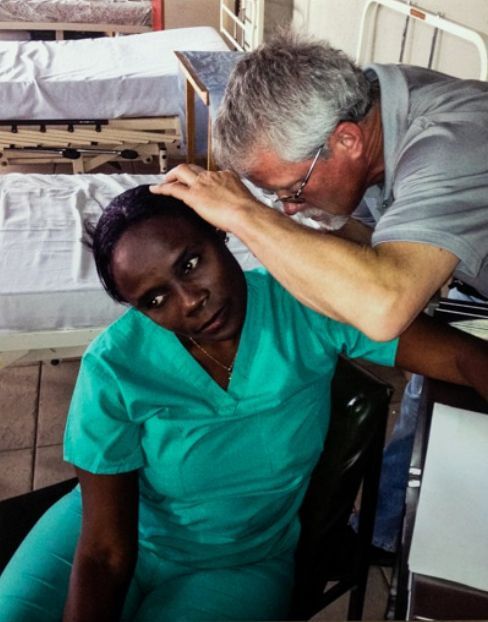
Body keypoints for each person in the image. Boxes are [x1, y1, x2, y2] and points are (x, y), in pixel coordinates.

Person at [0, 186, 487, 622]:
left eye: (190, 263)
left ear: (220, 235)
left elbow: (465, 357)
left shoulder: (304, 306)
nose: (188, 300)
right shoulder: (115, 366)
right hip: (97, 536)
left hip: (235, 564)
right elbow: (106, 550)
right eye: (154, 300)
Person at [149, 30, 488, 555]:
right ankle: (383, 535)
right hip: (464, 291)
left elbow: (382, 311)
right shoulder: (364, 104)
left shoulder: (454, 141)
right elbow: (367, 239)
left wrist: (247, 215)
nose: (287, 208)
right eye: (273, 196)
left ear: (346, 142)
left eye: (292, 190)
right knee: (430, 423)